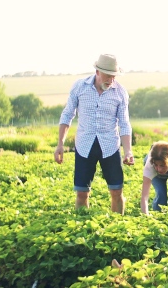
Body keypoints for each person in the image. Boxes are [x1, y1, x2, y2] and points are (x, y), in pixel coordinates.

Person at [54, 54, 134, 214]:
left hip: (110, 145)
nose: (111, 80)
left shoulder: (120, 92)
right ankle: (81, 229)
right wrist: (60, 144)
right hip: (85, 145)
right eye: (107, 75)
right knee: (82, 192)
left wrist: (128, 151)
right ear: (97, 71)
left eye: (113, 76)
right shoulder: (79, 87)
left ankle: (118, 228)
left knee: (117, 191)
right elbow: (67, 114)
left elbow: (124, 123)